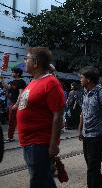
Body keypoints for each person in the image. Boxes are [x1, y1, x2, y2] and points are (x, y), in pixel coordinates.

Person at [17, 47, 65, 188]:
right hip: (29, 142)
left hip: (39, 143)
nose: (25, 61)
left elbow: (58, 115)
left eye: (27, 59)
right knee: (43, 179)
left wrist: (54, 145)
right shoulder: (33, 81)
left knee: (38, 180)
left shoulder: (51, 83)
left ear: (36, 63)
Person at [78, 66, 102, 188]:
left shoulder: (101, 93)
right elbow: (83, 113)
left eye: (82, 77)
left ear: (88, 79)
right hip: (86, 134)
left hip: (97, 135)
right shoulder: (85, 93)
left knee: (93, 165)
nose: (80, 80)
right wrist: (80, 130)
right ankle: (99, 184)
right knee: (90, 163)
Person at [1, 67, 26, 142]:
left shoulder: (21, 82)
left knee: (18, 121)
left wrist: (16, 104)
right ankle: (10, 137)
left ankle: (13, 137)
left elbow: (21, 94)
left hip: (18, 104)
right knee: (12, 121)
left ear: (17, 73)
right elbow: (7, 87)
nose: (11, 73)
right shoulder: (13, 82)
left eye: (13, 72)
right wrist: (1, 78)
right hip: (12, 104)